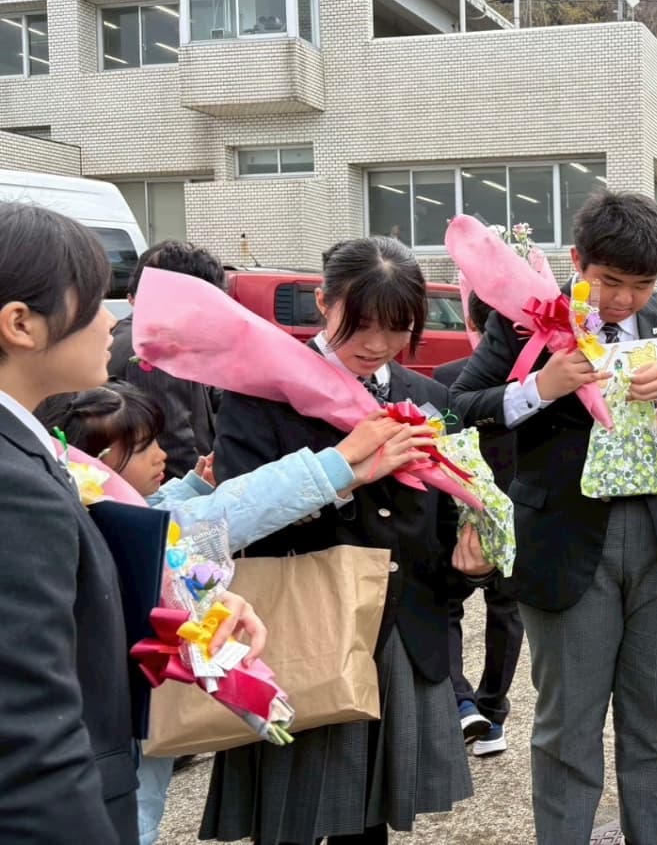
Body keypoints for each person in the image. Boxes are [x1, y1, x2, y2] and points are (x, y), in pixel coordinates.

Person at [451, 190, 657, 845]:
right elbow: (459, 404)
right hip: (568, 545)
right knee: (567, 729)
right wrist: (540, 387)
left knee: (655, 728)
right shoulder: (525, 324)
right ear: (578, 262)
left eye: (641, 285)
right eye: (610, 282)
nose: (625, 300)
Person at [36, 382, 430, 845]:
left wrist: (192, 486)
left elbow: (161, 512)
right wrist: (338, 463)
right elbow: (214, 517)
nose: (162, 454)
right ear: (95, 464)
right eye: (144, 448)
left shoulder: (78, 504)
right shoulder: (100, 524)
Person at [202, 236, 494, 845]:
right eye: (359, 324)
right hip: (299, 629)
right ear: (323, 302)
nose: (376, 344)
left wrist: (471, 568)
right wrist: (341, 476)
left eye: (397, 328)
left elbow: (437, 534)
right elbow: (233, 520)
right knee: (289, 817)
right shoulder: (263, 390)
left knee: (369, 823)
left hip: (396, 633)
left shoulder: (430, 398)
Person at [0, 203, 255, 844]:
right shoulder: (14, 483)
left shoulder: (26, 448)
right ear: (20, 324)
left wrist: (192, 602)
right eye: (94, 303)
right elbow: (32, 734)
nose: (112, 320)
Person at [433, 292, 523, 756]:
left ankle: (460, 702)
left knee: (445, 605)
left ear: (471, 320)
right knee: (507, 612)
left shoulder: (449, 381)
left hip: (461, 514)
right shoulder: (541, 382)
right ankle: (491, 713)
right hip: (520, 515)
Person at [108, 241, 225, 480]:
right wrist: (199, 490)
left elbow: (209, 393)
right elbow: (172, 443)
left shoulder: (133, 331)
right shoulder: (153, 347)